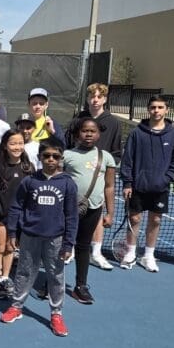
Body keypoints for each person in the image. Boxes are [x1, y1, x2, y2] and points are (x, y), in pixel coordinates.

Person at [0, 138, 78, 337]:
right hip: (30, 236)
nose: (51, 160)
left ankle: (56, 314)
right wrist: (12, 233)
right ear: (40, 157)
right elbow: (17, 207)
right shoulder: (30, 181)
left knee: (56, 276)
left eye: (55, 156)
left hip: (56, 238)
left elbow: (71, 215)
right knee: (25, 272)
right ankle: (17, 306)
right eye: (46, 156)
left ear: (61, 158)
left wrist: (69, 242)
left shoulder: (68, 184)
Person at [119, 95, 174, 272]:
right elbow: (128, 160)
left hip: (160, 188)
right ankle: (130, 252)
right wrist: (127, 183)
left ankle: (148, 255)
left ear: (166, 110)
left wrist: (166, 179)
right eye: (153, 107)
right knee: (134, 218)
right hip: (138, 186)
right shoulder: (137, 133)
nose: (156, 110)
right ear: (148, 110)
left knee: (155, 220)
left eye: (160, 107)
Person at [66, 82, 123, 270]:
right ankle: (70, 249)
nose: (95, 100)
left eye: (99, 96)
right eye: (92, 96)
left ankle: (96, 252)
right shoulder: (79, 118)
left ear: (105, 99)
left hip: (100, 173)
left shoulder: (113, 122)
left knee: (97, 213)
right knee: (72, 214)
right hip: (78, 172)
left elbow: (116, 151)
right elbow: (69, 144)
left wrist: (106, 165)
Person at [62, 117, 116, 305]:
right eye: (85, 131)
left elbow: (109, 186)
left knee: (83, 246)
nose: (88, 134)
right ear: (78, 134)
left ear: (99, 134)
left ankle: (81, 286)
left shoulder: (106, 157)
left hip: (93, 209)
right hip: (67, 210)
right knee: (62, 245)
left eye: (92, 131)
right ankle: (53, 281)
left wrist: (110, 212)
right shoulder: (67, 155)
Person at [0, 129, 35, 299]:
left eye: (20, 143)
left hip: (19, 218)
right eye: (13, 143)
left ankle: (5, 277)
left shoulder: (28, 167)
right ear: (5, 146)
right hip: (0, 215)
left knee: (10, 247)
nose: (17, 147)